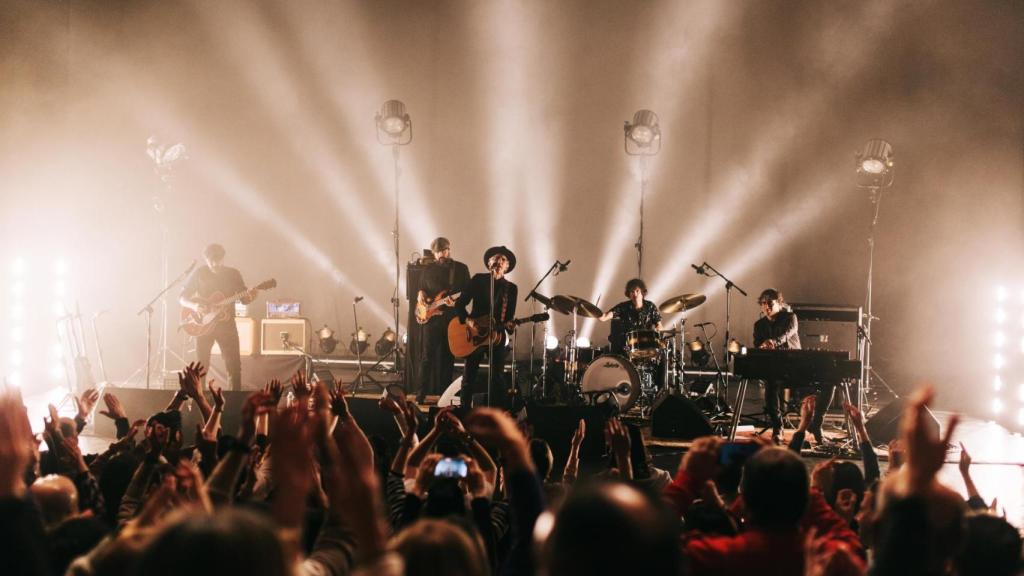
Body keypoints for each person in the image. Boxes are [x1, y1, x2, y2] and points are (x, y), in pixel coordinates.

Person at [179, 244, 255, 391]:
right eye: (211, 261)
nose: (215, 264)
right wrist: (195, 307)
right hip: (203, 325)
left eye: (218, 260)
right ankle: (199, 401)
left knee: (234, 366)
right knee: (201, 367)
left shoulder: (233, 274)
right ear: (205, 259)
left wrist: (251, 295)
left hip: (227, 326)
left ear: (223, 258)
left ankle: (233, 403)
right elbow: (182, 297)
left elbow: (244, 299)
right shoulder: (199, 273)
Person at [453, 246, 518, 408]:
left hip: (496, 336)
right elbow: (459, 304)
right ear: (489, 263)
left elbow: (508, 317)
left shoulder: (511, 289)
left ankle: (497, 413)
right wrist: (469, 321)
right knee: (469, 376)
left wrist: (510, 325)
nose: (499, 262)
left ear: (507, 266)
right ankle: (464, 410)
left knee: (497, 377)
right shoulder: (478, 280)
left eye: (503, 260)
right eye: (495, 258)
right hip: (474, 334)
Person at [416, 237, 471, 402]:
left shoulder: (460, 269)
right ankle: (420, 394)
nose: (441, 254)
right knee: (426, 357)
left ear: (449, 249)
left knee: (448, 358)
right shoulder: (427, 270)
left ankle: (444, 395)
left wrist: (457, 301)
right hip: (432, 320)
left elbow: (468, 293)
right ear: (433, 253)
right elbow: (421, 290)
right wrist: (420, 295)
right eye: (438, 251)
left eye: (444, 250)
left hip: (452, 319)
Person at [599, 278, 664, 354]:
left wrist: (658, 329)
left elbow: (660, 326)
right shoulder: (623, 307)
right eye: (632, 292)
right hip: (627, 347)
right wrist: (594, 312)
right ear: (629, 294)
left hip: (647, 346)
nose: (635, 294)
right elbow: (604, 317)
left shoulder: (650, 306)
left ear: (643, 292)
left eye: (637, 291)